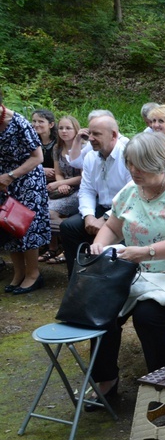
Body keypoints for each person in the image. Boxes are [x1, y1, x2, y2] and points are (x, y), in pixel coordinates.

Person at [86, 132, 165, 410]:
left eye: (141, 166)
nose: (133, 171)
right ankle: (106, 380)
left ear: (161, 163)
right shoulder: (131, 190)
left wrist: (145, 252)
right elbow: (112, 227)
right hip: (138, 270)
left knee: (148, 316)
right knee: (102, 310)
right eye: (130, 164)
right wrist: (99, 247)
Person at [59, 115, 132, 278]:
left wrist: (106, 218)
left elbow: (130, 194)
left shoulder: (127, 155)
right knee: (69, 227)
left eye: (96, 134)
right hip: (101, 207)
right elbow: (87, 190)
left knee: (121, 233)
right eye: (89, 133)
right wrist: (88, 216)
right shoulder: (91, 156)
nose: (90, 138)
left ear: (113, 135)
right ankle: (77, 278)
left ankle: (111, 281)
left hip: (125, 211)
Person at [0, 92, 51, 294]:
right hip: (4, 181)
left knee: (26, 226)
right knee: (7, 223)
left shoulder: (18, 122)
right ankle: (18, 273)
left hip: (27, 178)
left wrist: (10, 176)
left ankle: (33, 274)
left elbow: (37, 157)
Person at [41, 115, 82, 265]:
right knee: (42, 207)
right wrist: (61, 184)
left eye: (68, 128)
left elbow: (84, 177)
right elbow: (58, 172)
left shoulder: (84, 148)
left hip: (80, 190)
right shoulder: (58, 148)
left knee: (50, 212)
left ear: (76, 130)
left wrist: (63, 183)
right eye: (61, 128)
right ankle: (53, 247)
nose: (64, 131)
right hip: (64, 188)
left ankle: (67, 248)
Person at [31, 109, 57, 181]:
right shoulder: (30, 141)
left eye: (41, 121)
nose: (36, 125)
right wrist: (41, 170)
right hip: (35, 178)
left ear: (51, 125)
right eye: (34, 121)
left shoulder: (58, 142)